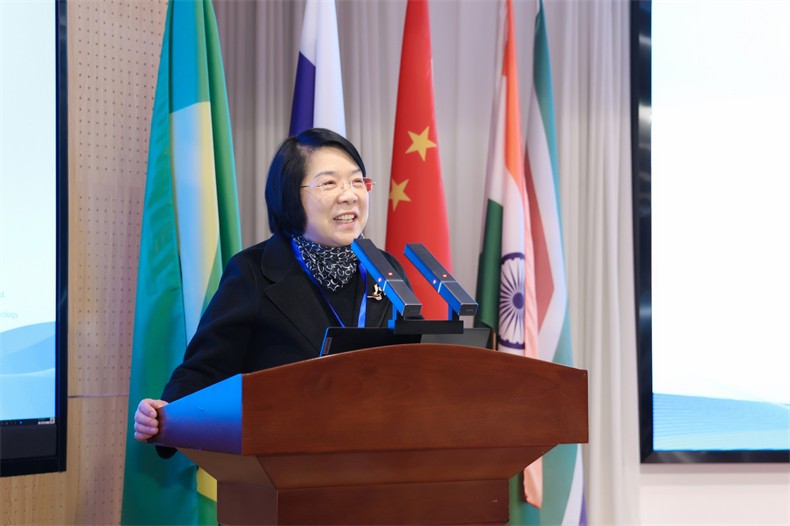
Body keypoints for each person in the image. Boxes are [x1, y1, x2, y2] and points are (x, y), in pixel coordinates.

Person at [133, 127, 407, 444]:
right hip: (287, 454)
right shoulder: (253, 272)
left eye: (357, 182)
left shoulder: (384, 269)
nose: (349, 195)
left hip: (377, 451)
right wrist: (165, 412)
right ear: (290, 196)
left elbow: (413, 361)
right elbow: (207, 368)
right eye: (329, 183)